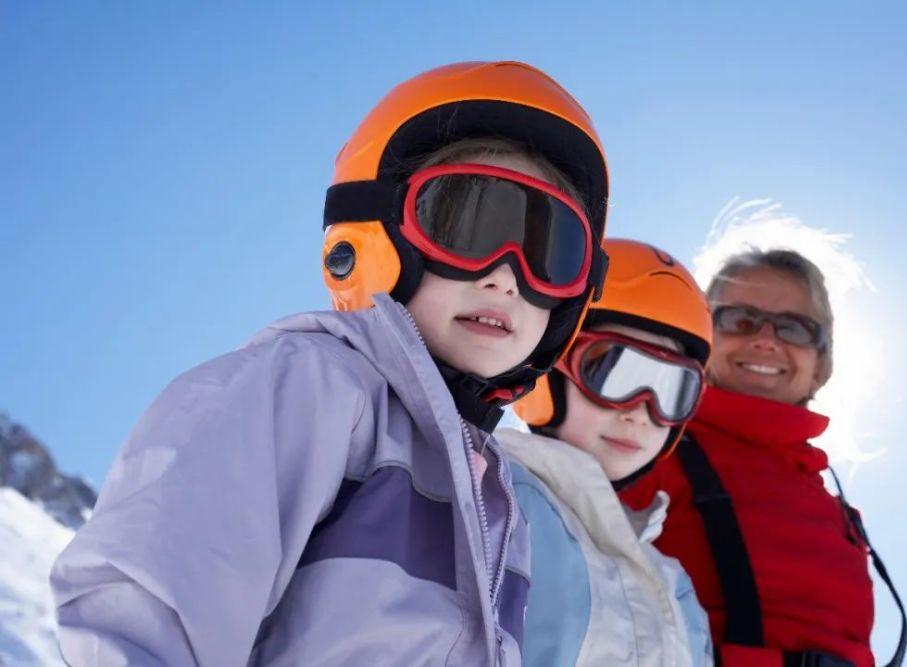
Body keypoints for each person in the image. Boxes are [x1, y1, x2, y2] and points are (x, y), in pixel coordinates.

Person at [49, 61, 611, 667]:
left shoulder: (495, 496)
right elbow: (145, 611)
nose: (506, 277)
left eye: (548, 252)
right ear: (375, 236)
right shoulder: (306, 387)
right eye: (468, 224)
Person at [621, 249, 903, 667]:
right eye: (740, 320)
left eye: (794, 328)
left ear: (821, 365)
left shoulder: (837, 510)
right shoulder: (645, 449)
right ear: (703, 336)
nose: (766, 339)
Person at [500, 238, 715, 667]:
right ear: (548, 365)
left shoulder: (674, 586)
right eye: (613, 369)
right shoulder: (491, 499)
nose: (639, 411)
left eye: (672, 389)